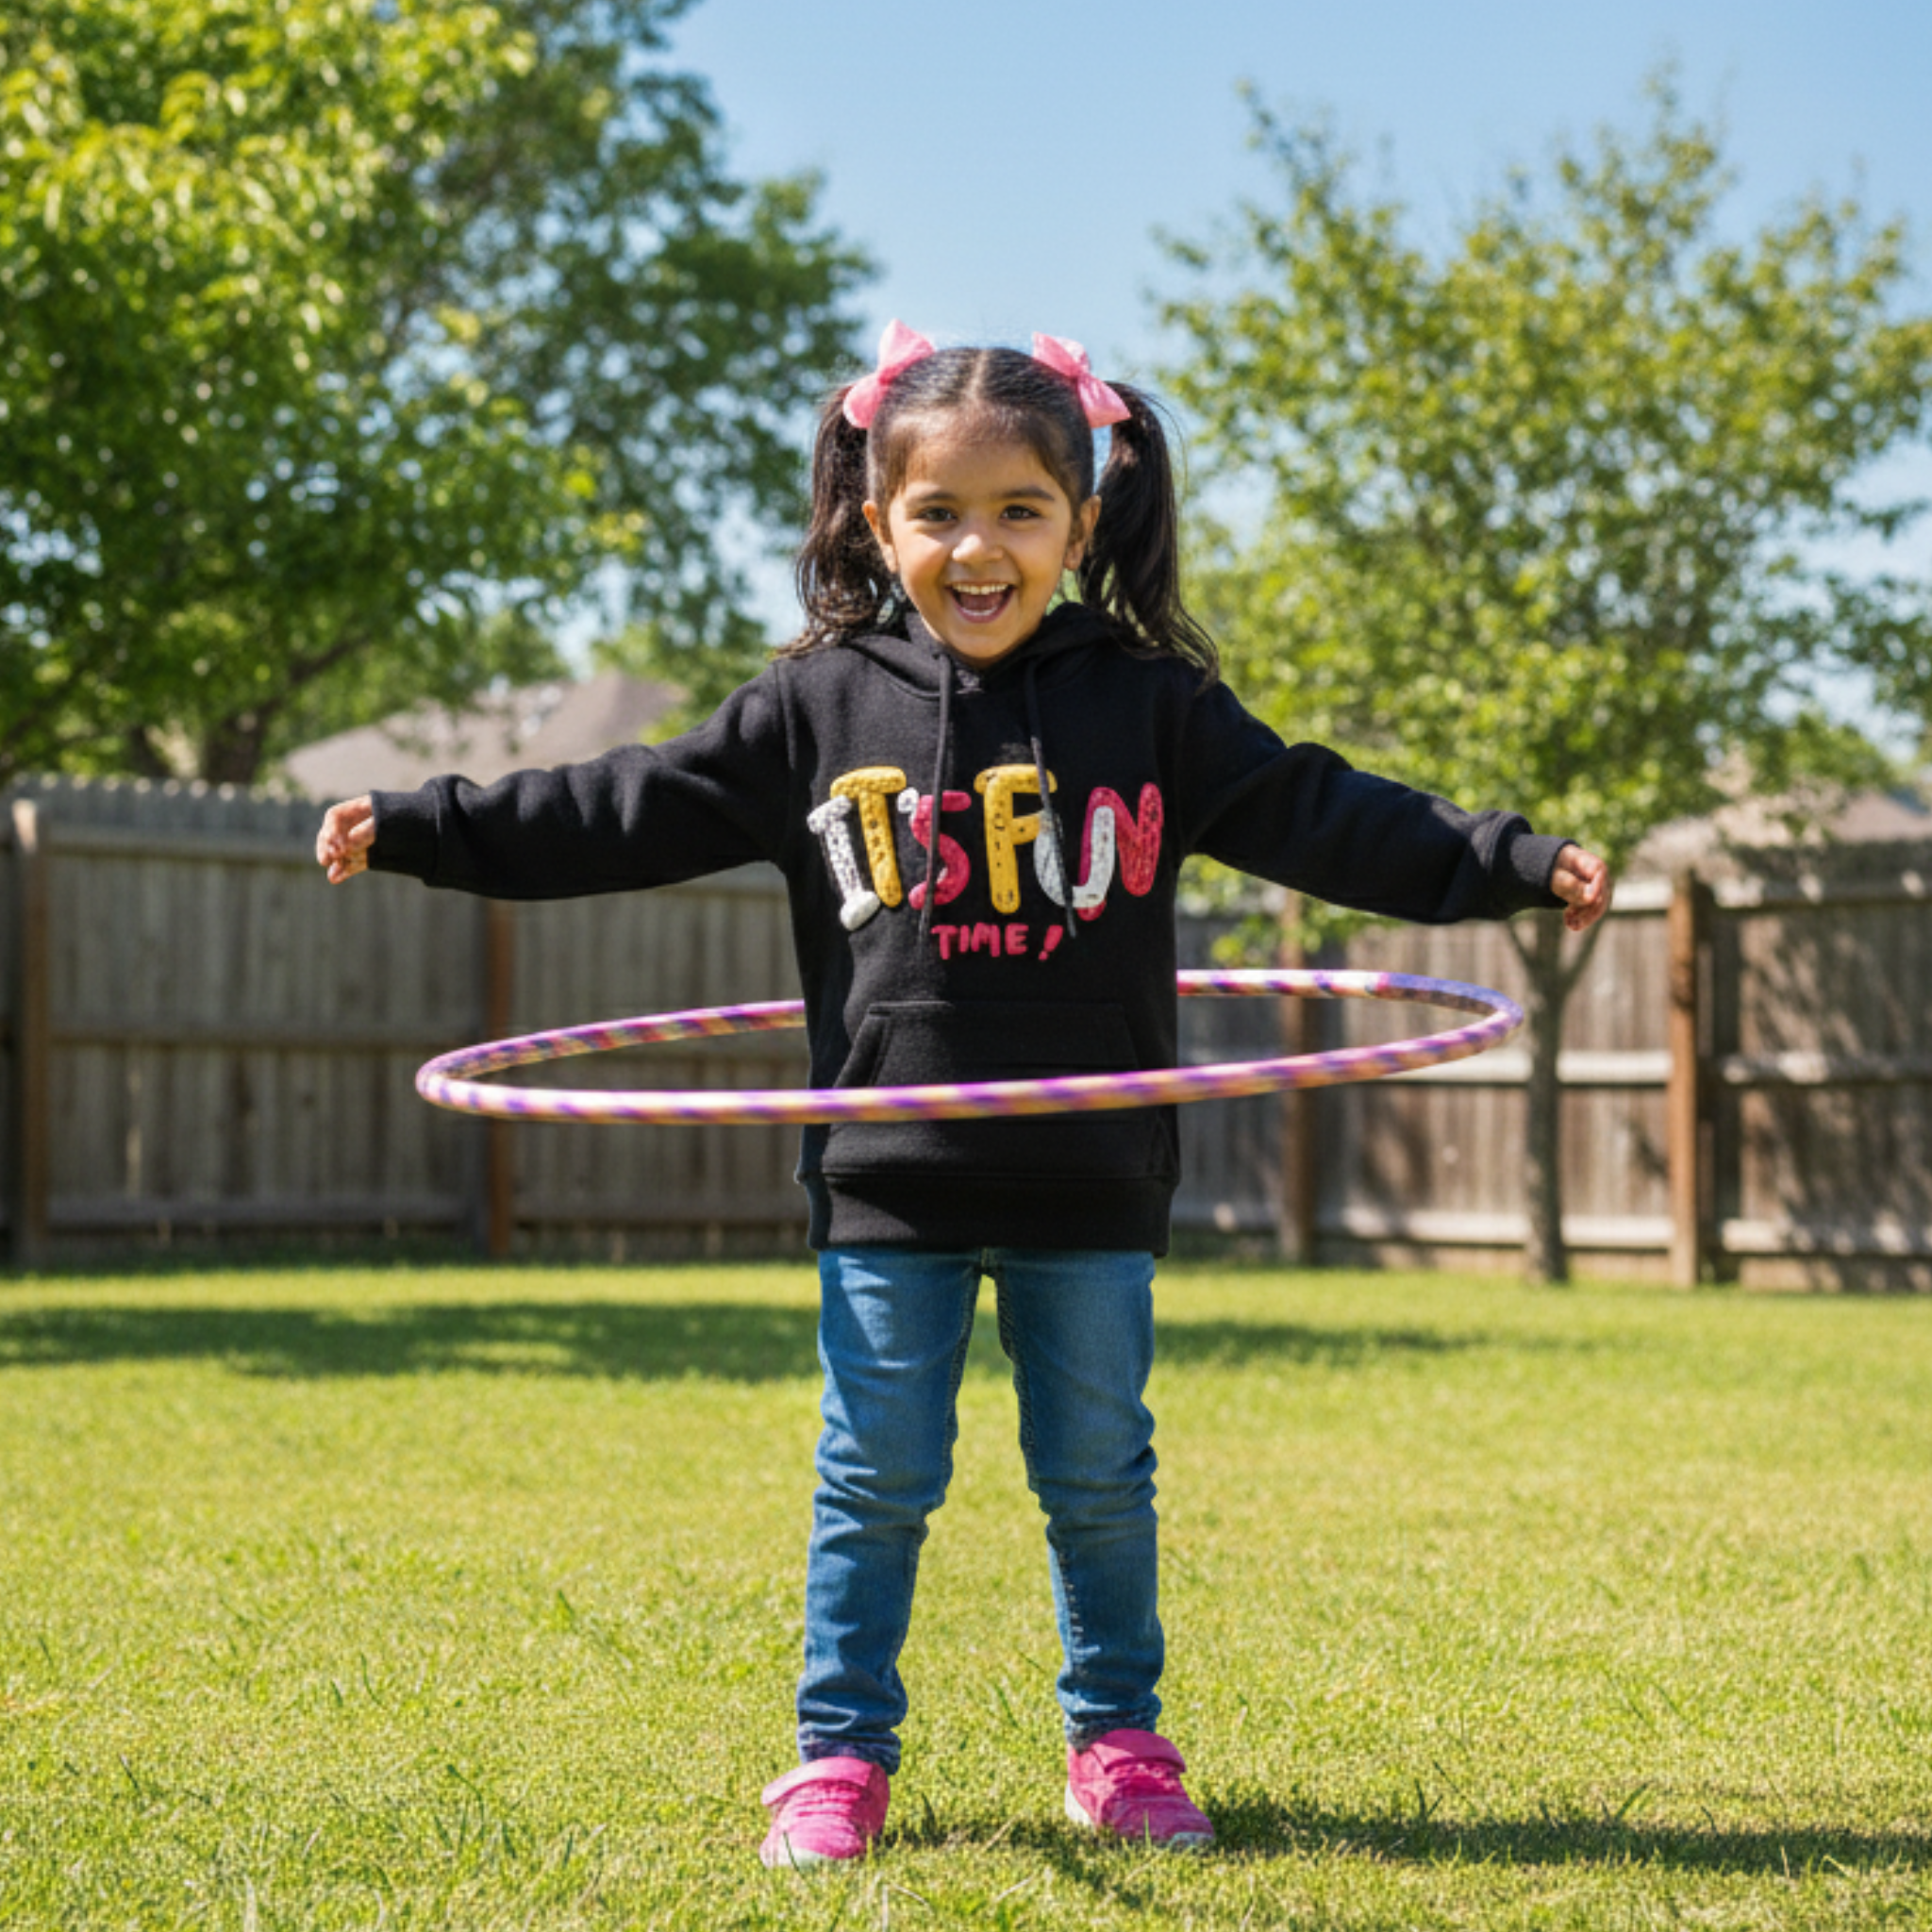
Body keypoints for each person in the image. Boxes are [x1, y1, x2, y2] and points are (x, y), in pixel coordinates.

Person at [316, 320, 1612, 1869]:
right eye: (938, 514)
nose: (977, 548)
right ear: (879, 521)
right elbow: (618, 807)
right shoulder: (816, 706)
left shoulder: (1152, 706)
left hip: (1087, 1171)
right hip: (893, 1169)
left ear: (1082, 522)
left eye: (1018, 513)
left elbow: (1325, 816)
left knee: (1098, 1475)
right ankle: (838, 1758)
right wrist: (417, 824)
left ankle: (1119, 1744)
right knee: (874, 1476)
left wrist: (1514, 862)